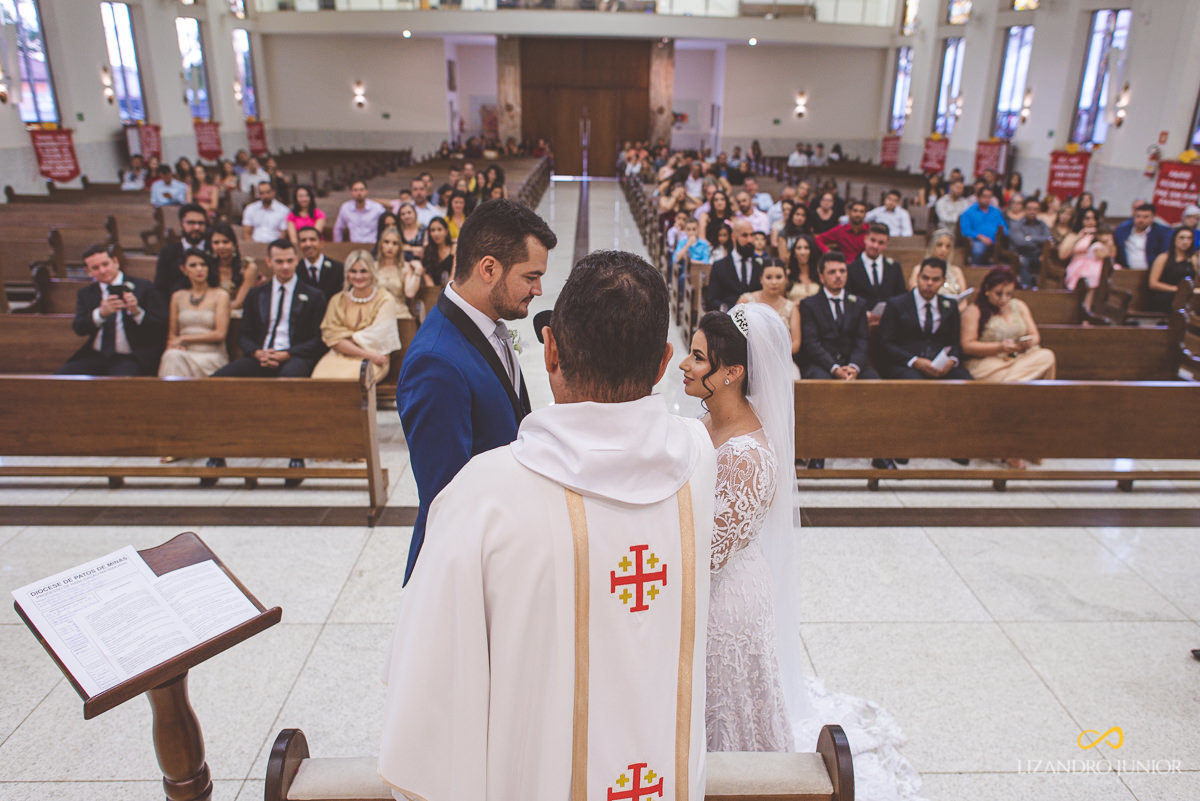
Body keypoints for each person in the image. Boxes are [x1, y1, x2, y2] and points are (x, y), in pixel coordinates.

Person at [381, 250, 713, 801]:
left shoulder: (481, 495)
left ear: (551, 349)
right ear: (662, 364)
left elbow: (426, 705)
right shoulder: (699, 462)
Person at [684, 304, 922, 800]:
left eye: (698, 357)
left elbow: (709, 552)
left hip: (725, 598)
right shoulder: (703, 421)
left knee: (728, 707)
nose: (685, 365)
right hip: (703, 586)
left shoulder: (748, 456)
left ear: (732, 373)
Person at [397, 199, 557, 584]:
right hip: (467, 568)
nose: (538, 289)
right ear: (489, 268)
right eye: (531, 276)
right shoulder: (436, 362)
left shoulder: (487, 324)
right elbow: (448, 495)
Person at [212, 238, 328, 378]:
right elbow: (244, 335)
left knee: (288, 378)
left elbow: (318, 339)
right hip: (261, 356)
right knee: (220, 378)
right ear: (269, 262)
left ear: (296, 260)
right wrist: (257, 353)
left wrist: (287, 353)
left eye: (289, 261)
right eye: (279, 262)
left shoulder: (314, 296)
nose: (285, 266)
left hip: (296, 356)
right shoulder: (256, 294)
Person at [57, 244, 167, 376]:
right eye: (95, 268)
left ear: (115, 262)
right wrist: (100, 314)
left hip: (130, 356)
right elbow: (79, 328)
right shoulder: (86, 293)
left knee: (119, 384)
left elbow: (160, 325)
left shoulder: (143, 287)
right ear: (88, 271)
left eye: (105, 264)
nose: (102, 271)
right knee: (62, 378)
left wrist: (137, 312)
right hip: (95, 355)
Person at [312, 249, 402, 381]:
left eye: (363, 271)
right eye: (353, 271)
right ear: (347, 274)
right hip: (339, 355)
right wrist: (361, 350)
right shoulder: (337, 300)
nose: (358, 276)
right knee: (318, 379)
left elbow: (379, 337)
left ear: (372, 272)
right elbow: (331, 337)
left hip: (376, 356)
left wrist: (347, 339)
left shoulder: (385, 299)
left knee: (349, 383)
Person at [878, 257, 972, 380]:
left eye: (935, 279)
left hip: (940, 365)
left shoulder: (950, 306)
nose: (929, 283)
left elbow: (954, 341)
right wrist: (915, 361)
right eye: (925, 278)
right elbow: (885, 343)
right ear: (918, 277)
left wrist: (952, 360)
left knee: (965, 381)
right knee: (916, 383)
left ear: (943, 281)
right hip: (906, 364)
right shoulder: (896, 304)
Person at [961, 266, 1056, 384]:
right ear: (987, 289)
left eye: (1009, 294)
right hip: (989, 363)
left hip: (1021, 359)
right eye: (998, 294)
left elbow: (1035, 335)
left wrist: (1027, 342)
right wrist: (1000, 347)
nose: (1003, 299)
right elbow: (967, 346)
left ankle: (1008, 384)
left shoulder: (1019, 306)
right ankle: (1011, 384)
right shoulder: (974, 311)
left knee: (1046, 356)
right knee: (1008, 376)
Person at [797, 251, 878, 381]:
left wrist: (854, 366)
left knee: (874, 381)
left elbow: (862, 340)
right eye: (832, 272)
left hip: (851, 363)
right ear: (822, 277)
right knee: (821, 383)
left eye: (842, 271)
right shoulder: (809, 305)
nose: (838, 276)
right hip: (821, 365)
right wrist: (834, 368)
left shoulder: (859, 303)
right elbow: (811, 343)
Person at [158, 249, 230, 377]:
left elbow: (220, 334)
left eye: (203, 265)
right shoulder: (177, 296)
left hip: (210, 355)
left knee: (173, 359)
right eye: (193, 265)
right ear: (183, 270)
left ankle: (172, 396)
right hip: (183, 353)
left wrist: (184, 338)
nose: (199, 269)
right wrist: (176, 344)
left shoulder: (221, 295)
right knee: (172, 356)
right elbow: (172, 336)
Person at [154, 204, 211, 299]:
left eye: (201, 223)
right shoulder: (168, 253)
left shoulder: (212, 249)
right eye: (191, 223)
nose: (196, 227)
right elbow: (160, 288)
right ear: (181, 224)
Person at [705, 218, 762, 312]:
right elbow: (712, 299)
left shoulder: (759, 264)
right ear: (733, 237)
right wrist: (728, 309)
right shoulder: (719, 266)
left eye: (752, 235)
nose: (750, 240)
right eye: (744, 235)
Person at [846, 222, 905, 309]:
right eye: (872, 240)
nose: (875, 246)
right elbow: (848, 298)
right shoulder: (851, 268)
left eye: (881, 243)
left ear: (886, 244)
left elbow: (900, 297)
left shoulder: (894, 268)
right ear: (865, 239)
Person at [910, 229, 971, 310]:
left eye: (948, 246)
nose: (943, 250)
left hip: (953, 313)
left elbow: (964, 301)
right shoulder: (919, 269)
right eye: (939, 245)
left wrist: (952, 313)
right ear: (932, 246)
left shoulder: (956, 271)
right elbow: (913, 295)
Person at [207, 222, 257, 312]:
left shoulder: (247, 267)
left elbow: (239, 303)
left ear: (234, 244)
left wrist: (218, 312)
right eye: (216, 243)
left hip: (236, 312)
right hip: (210, 311)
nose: (221, 246)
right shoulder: (207, 267)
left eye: (225, 242)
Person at [1147, 227, 1199, 312]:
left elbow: (1195, 280)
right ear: (1174, 239)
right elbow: (1153, 283)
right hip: (1167, 294)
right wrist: (1177, 289)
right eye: (1182, 238)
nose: (1185, 242)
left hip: (1187, 295)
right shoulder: (1163, 258)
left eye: (1189, 238)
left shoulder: (1193, 259)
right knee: (1180, 299)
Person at [1114, 202, 1172, 271]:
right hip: (1126, 271)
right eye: (1138, 216)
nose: (1141, 220)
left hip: (1151, 272)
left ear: (1153, 218)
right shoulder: (1122, 230)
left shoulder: (1162, 233)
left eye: (1145, 217)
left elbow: (1164, 254)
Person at [1009, 196, 1053, 287]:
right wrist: (1038, 243)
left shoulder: (1042, 225)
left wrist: (1030, 238)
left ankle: (1040, 289)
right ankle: (1026, 288)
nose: (1032, 212)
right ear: (1024, 210)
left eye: (1035, 209)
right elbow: (1020, 242)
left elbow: (1048, 238)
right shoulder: (1017, 224)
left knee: (1046, 262)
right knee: (1023, 261)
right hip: (1022, 254)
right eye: (1029, 209)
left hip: (1038, 255)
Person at [737, 259, 794, 329]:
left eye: (778, 277)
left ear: (785, 279)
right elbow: (734, 332)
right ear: (761, 279)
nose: (774, 282)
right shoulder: (745, 301)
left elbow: (796, 339)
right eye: (768, 277)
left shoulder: (791, 308)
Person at [958, 186, 1008, 265]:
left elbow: (1004, 227)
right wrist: (980, 237)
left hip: (996, 242)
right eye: (984, 196)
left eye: (989, 197)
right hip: (977, 241)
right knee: (978, 250)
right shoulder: (968, 212)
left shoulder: (996, 212)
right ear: (978, 197)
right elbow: (965, 231)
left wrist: (1001, 235)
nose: (987, 199)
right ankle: (976, 270)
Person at [297, 225, 345, 301]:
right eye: (303, 240)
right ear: (299, 245)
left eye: (312, 240)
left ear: (321, 243)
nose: (308, 244)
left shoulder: (338, 269)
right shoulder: (295, 270)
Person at [785, 233, 820, 301]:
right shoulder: (787, 275)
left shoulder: (820, 274)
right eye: (799, 248)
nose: (802, 252)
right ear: (794, 253)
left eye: (806, 248)